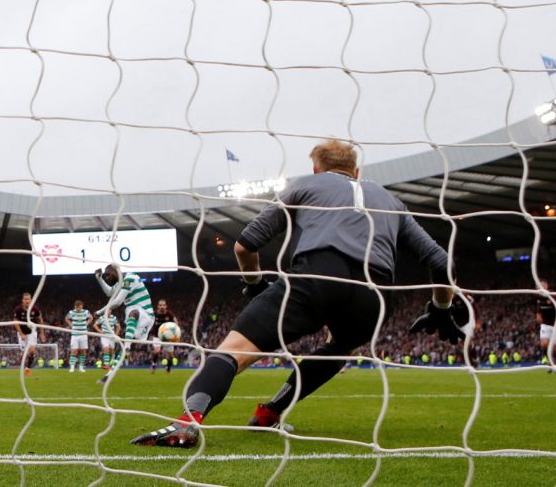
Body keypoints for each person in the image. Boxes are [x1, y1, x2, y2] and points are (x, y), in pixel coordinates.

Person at [130, 139, 461, 447]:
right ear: (357, 172)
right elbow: (442, 262)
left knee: (233, 351)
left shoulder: (305, 185)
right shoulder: (391, 201)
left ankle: (189, 421)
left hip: (318, 276)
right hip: (373, 296)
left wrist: (256, 284)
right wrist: (441, 308)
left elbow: (245, 245)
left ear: (315, 169)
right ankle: (269, 414)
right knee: (339, 348)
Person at [94, 265, 155, 383]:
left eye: (107, 274)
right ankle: (109, 375)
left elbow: (117, 302)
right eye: (105, 276)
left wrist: (98, 313)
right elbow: (109, 293)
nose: (107, 277)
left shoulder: (130, 278)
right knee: (125, 344)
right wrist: (99, 278)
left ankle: (127, 348)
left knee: (133, 313)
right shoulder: (119, 283)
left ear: (115, 271)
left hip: (146, 315)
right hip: (133, 314)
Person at [14, 292, 45, 376]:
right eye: (25, 299)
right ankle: (24, 365)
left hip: (32, 332)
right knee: (24, 352)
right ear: (22, 300)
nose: (27, 301)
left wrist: (42, 333)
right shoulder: (18, 309)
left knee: (32, 350)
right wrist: (21, 334)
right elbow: (15, 322)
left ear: (31, 300)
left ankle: (28, 368)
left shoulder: (35, 309)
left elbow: (40, 320)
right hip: (22, 332)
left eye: (28, 299)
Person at [150, 299, 178, 374]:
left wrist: (175, 331)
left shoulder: (169, 314)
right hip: (157, 336)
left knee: (171, 355)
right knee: (157, 351)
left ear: (166, 306)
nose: (162, 307)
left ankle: (168, 369)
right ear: (158, 306)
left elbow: (175, 321)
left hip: (167, 337)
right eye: (160, 305)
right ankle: (153, 366)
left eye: (163, 305)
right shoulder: (154, 314)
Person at [65, 300, 91, 373]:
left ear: (82, 306)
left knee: (83, 351)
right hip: (75, 334)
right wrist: (71, 325)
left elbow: (91, 318)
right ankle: (72, 367)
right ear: (75, 307)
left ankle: (81, 367)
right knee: (74, 351)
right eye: (76, 307)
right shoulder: (71, 312)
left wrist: (86, 324)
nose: (78, 309)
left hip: (83, 334)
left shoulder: (86, 312)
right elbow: (66, 319)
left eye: (79, 307)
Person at [535, 278, 554, 363]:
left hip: (554, 324)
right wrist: (538, 315)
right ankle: (545, 357)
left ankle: (551, 361)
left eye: (541, 285)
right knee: (544, 343)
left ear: (546, 285)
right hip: (545, 324)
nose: (539, 287)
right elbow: (538, 310)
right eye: (538, 286)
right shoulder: (538, 298)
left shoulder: (552, 295)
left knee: (554, 348)